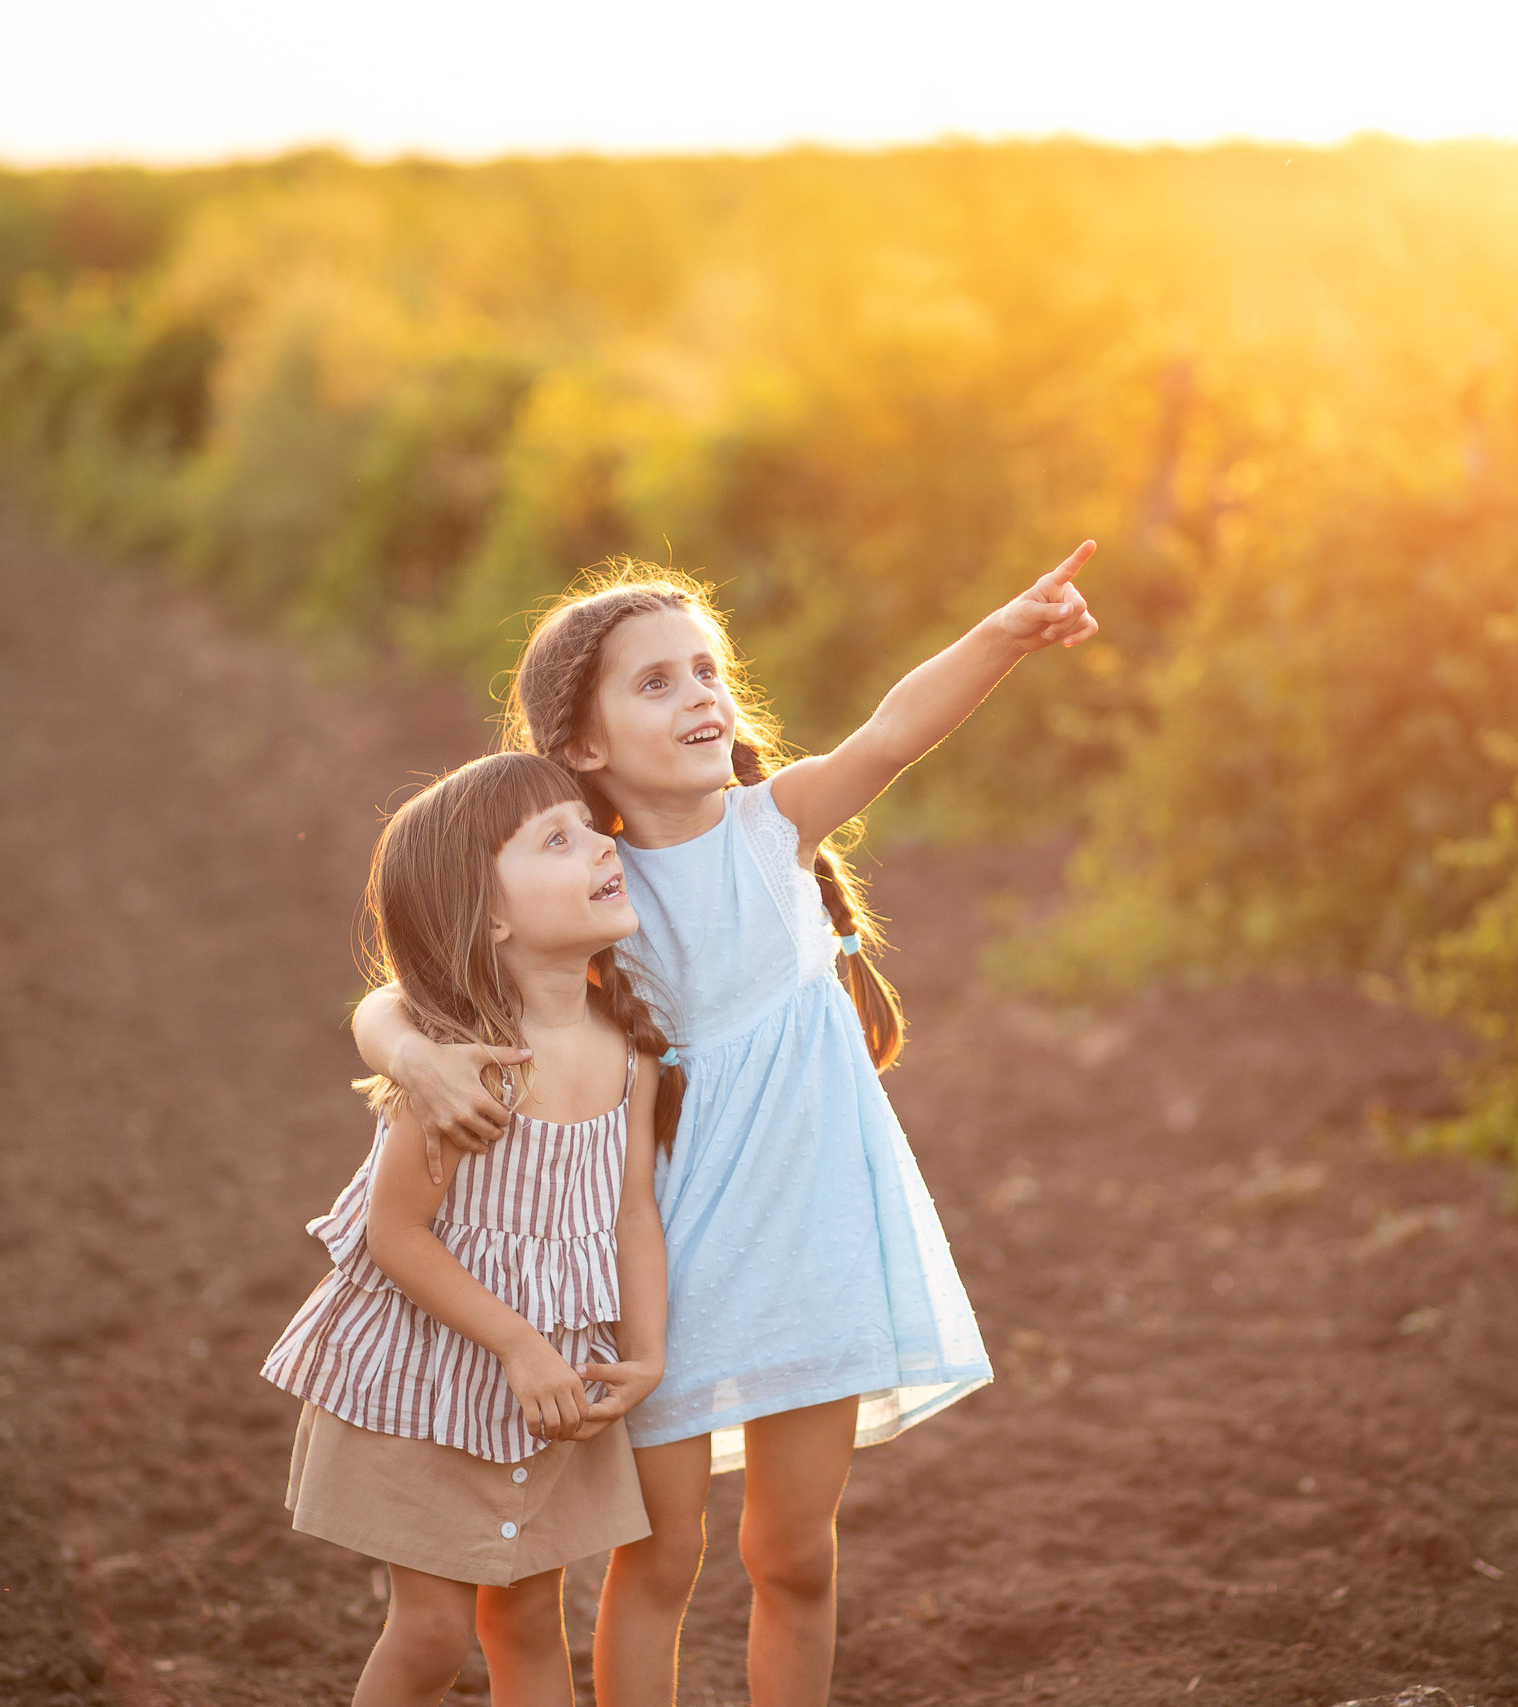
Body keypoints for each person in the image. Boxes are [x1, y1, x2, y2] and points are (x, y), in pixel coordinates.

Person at [355, 545, 1101, 1706]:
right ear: (584, 747)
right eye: (654, 681)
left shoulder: (771, 830)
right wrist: (409, 1054)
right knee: (661, 1556)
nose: (700, 692)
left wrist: (1002, 634)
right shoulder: (590, 887)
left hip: (812, 1244)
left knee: (794, 1555)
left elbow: (891, 732)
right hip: (661, 1269)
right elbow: (406, 988)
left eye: (706, 669)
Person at [263, 751, 674, 1707]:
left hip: (551, 1389)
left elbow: (631, 1215)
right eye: (556, 839)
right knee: (438, 1630)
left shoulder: (630, 1054)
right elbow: (394, 1234)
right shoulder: (463, 1070)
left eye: (589, 824)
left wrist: (645, 1355)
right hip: (436, 1378)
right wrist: (519, 1342)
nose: (599, 846)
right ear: (491, 916)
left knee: (531, 1622)